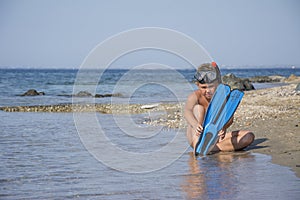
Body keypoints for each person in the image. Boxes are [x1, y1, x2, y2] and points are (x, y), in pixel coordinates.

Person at [184, 62, 254, 153]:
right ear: (197, 85)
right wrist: (195, 124)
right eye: (203, 87)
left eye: (211, 87)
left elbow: (229, 118)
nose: (208, 91)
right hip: (197, 136)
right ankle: (198, 146)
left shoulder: (223, 98)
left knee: (248, 137)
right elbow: (187, 111)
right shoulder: (195, 96)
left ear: (218, 83)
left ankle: (212, 148)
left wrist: (224, 127)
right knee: (198, 109)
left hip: (214, 137)